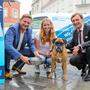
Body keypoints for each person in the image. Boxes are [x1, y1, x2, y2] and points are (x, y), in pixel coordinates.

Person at [5, 14, 38, 79]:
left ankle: (17, 67)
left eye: (28, 23)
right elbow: (7, 45)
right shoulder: (13, 29)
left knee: (31, 52)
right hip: (9, 51)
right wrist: (21, 57)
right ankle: (6, 71)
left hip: (19, 50)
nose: (26, 24)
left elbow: (31, 44)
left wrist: (35, 51)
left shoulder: (29, 30)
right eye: (24, 21)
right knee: (7, 50)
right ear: (20, 21)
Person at [67, 13, 90, 81]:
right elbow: (71, 44)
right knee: (72, 60)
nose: (75, 22)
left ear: (82, 20)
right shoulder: (75, 32)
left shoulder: (89, 28)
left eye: (77, 20)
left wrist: (80, 46)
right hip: (82, 54)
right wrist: (63, 44)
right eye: (73, 21)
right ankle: (84, 67)